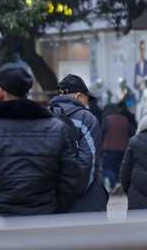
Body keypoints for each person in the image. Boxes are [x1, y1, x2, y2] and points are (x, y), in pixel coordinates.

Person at [0, 63, 84, 217]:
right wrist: (53, 210)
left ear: (0, 93)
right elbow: (72, 181)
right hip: (43, 223)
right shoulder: (55, 128)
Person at [49, 74, 109, 212]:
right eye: (86, 99)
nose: (87, 104)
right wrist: (72, 194)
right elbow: (89, 161)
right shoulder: (86, 118)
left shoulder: (45, 116)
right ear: (77, 96)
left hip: (54, 201)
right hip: (85, 201)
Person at [102, 102, 136, 191]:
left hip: (108, 149)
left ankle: (114, 182)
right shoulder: (125, 120)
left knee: (107, 168)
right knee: (118, 168)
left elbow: (101, 133)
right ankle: (117, 183)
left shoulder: (107, 120)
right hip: (122, 149)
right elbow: (132, 132)